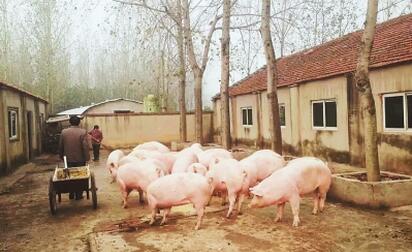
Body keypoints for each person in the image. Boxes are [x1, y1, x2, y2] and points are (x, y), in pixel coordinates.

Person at [59, 115, 90, 200]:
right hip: (80, 159)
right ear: (79, 122)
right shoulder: (83, 132)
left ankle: (71, 192)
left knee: (69, 175)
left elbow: (61, 146)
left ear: (70, 122)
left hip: (68, 159)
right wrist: (87, 158)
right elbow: (85, 146)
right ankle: (78, 195)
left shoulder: (64, 132)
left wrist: (61, 156)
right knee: (79, 176)